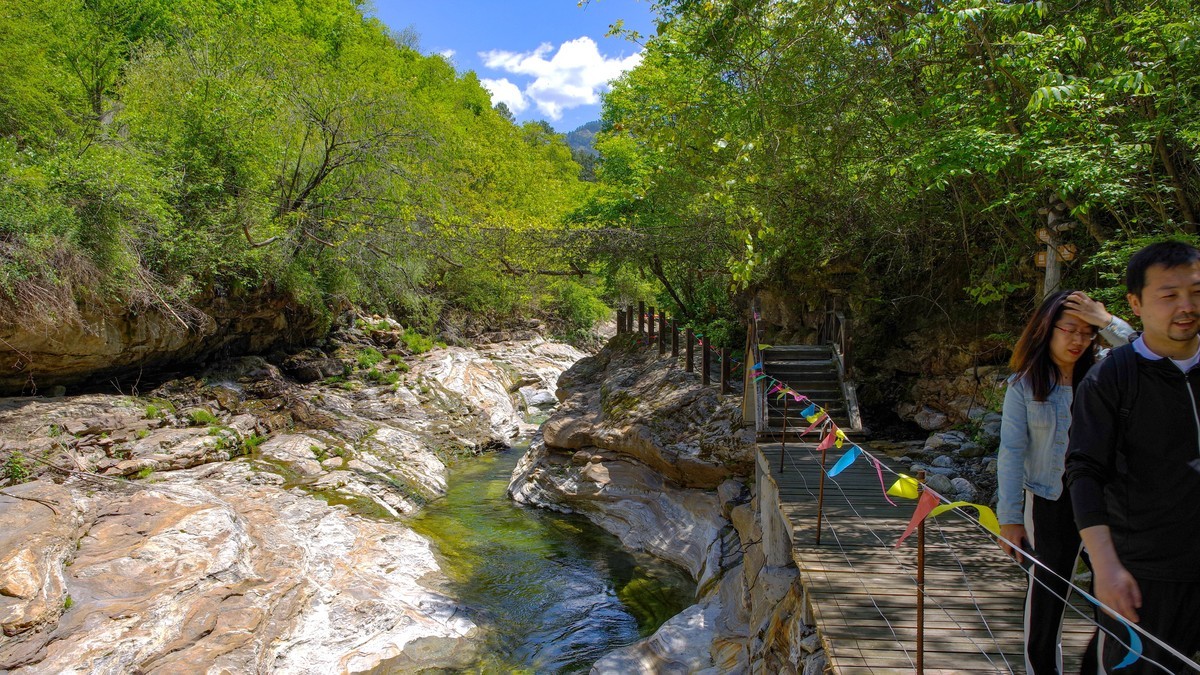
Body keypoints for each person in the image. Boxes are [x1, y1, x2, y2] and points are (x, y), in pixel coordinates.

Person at [1066, 241, 1200, 674]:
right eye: (1169, 295)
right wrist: (1105, 569)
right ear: (1135, 303)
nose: (1186, 306)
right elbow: (1084, 473)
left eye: (1196, 292)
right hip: (1145, 577)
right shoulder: (1111, 379)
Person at [997, 289, 1134, 674]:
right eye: (1069, 330)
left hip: (1105, 504)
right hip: (1049, 502)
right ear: (1047, 329)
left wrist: (1107, 321)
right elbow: (1010, 453)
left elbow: (1146, 349)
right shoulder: (1024, 386)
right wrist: (1009, 520)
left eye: (1087, 332)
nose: (1078, 340)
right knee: (1046, 604)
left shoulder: (1108, 372)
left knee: (1115, 600)